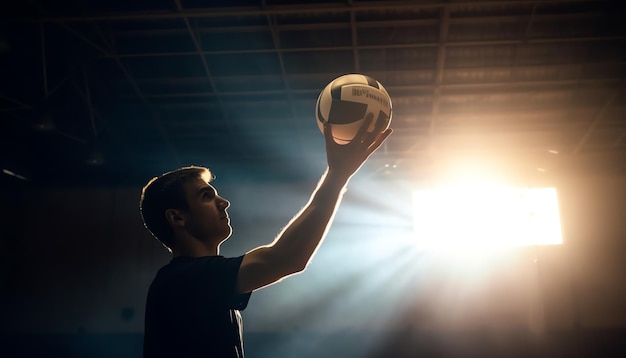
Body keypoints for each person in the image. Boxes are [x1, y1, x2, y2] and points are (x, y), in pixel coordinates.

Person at [139, 114, 392, 358]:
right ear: (177, 218)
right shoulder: (183, 280)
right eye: (206, 196)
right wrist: (337, 175)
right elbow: (286, 257)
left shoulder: (200, 283)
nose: (224, 202)